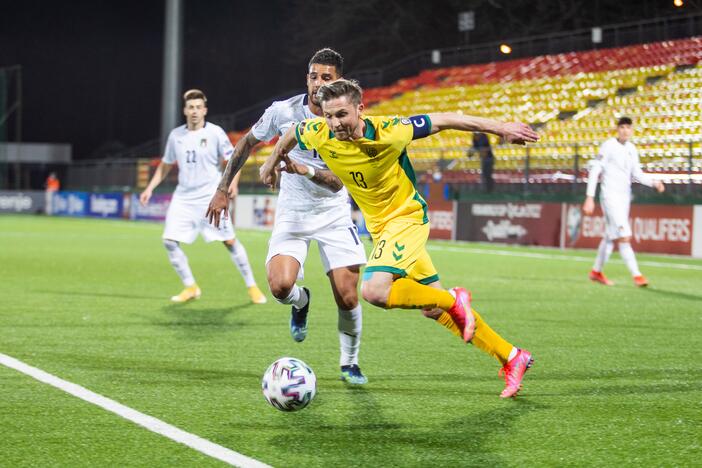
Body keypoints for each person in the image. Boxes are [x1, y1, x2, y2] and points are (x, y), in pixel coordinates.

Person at [261, 79, 540, 398]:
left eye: (342, 114)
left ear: (359, 109)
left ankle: (455, 297)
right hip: (381, 229)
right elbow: (290, 134)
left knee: (374, 291)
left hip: (406, 219)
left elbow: (447, 118)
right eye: (329, 116)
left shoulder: (391, 130)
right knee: (433, 309)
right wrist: (271, 163)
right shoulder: (318, 131)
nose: (335, 123)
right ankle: (512, 356)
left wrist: (500, 128)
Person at [206, 49, 368, 384]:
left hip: (333, 213)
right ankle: (301, 301)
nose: (317, 83)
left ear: (339, 81)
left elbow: (338, 185)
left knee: (348, 295)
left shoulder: (345, 120)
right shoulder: (283, 111)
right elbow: (246, 144)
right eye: (313, 75)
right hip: (293, 213)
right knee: (280, 287)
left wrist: (302, 169)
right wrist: (222, 188)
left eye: (326, 77)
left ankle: (349, 363)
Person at [140, 89, 267, 304]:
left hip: (211, 196)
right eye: (191, 107)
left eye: (199, 107)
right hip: (183, 197)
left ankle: (252, 286)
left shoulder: (215, 133)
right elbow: (165, 165)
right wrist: (149, 187)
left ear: (205, 110)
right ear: (185, 110)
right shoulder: (176, 136)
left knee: (229, 241)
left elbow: (233, 159)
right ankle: (190, 286)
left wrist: (230, 186)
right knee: (169, 241)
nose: (195, 111)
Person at [583, 116, 665, 287]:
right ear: (617, 129)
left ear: (631, 130)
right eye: (622, 127)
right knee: (624, 235)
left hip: (624, 197)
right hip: (610, 196)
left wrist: (654, 182)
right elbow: (595, 170)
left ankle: (596, 272)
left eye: (628, 127)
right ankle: (637, 276)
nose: (625, 130)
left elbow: (637, 173)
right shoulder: (608, 146)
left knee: (610, 236)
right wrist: (589, 197)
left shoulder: (632, 149)